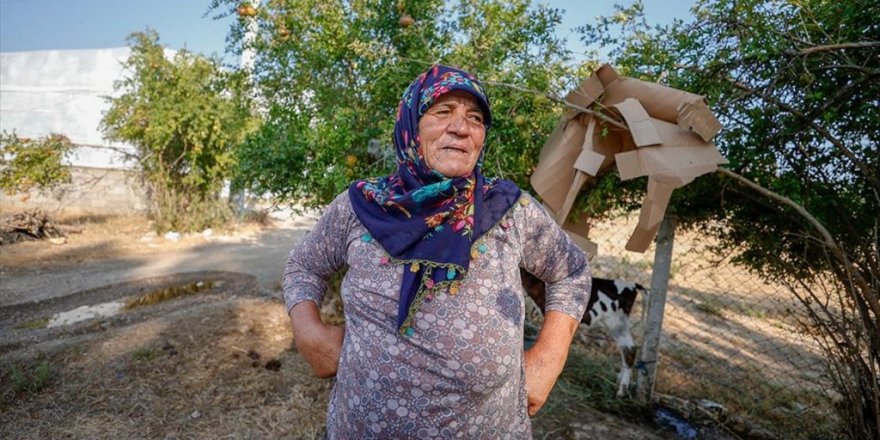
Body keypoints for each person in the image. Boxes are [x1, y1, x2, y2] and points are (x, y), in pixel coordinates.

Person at [283, 64, 591, 439]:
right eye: (443, 112)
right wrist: (307, 331)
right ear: (411, 125)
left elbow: (571, 272)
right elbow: (303, 265)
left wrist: (548, 360)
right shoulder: (361, 206)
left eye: (475, 118)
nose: (461, 127)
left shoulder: (510, 209)